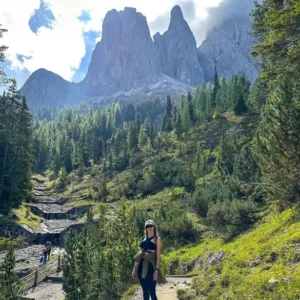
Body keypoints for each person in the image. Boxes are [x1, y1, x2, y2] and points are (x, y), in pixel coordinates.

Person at [132, 220, 162, 300]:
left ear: (154, 226)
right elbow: (139, 255)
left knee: (152, 292)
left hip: (151, 266)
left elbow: (158, 257)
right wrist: (134, 269)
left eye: (151, 226)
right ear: (145, 228)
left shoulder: (157, 239)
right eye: (147, 226)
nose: (149, 228)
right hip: (141, 266)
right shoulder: (143, 239)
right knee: (145, 291)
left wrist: (156, 270)